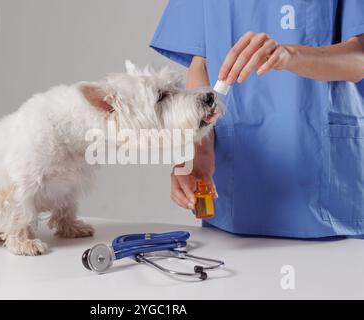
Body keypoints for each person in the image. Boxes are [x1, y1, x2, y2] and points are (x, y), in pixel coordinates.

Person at [150, 0, 364, 238]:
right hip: (234, 198)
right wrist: (201, 155)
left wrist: (290, 55)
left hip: (326, 198)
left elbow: (360, 57)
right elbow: (202, 64)